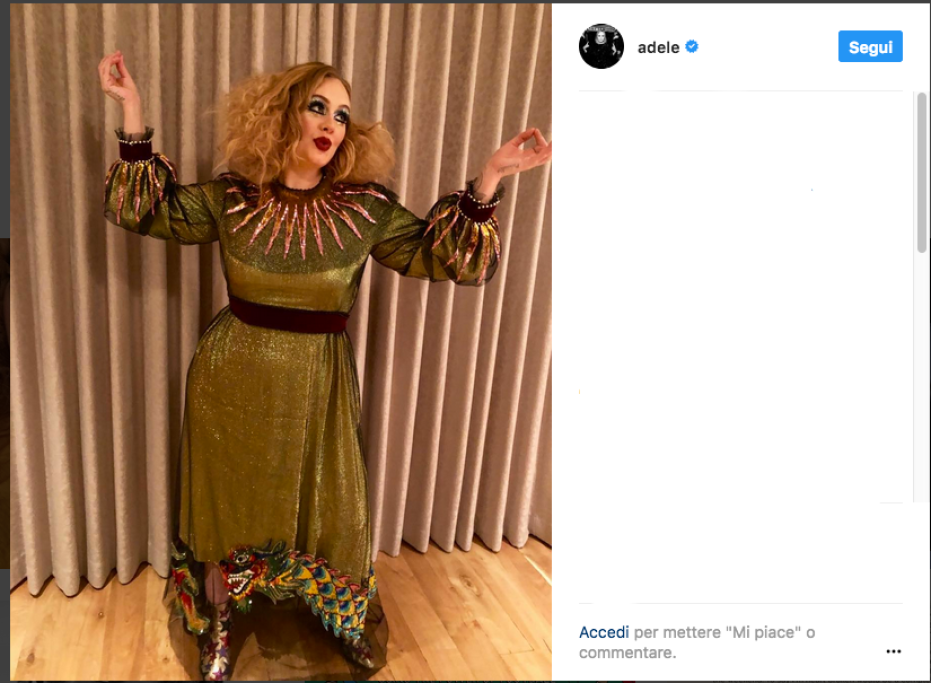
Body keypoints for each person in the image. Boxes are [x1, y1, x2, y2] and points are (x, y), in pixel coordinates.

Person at [97, 50, 551, 681]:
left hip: (320, 382)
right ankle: (221, 617)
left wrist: (491, 177)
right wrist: (132, 109)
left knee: (333, 507)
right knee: (229, 504)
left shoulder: (365, 209)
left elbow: (444, 256)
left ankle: (342, 616)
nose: (332, 124)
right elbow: (145, 210)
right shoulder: (233, 199)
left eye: (342, 114)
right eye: (318, 107)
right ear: (283, 115)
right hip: (231, 380)